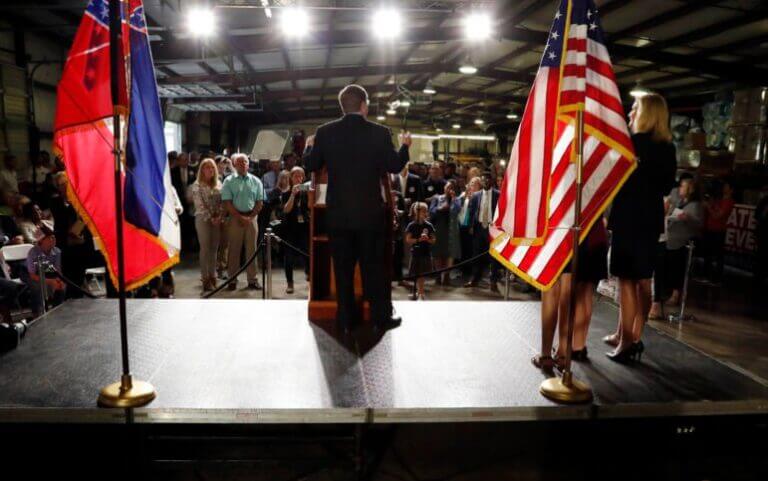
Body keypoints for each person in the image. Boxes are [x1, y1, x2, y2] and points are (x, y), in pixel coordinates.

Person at [304, 84, 411, 335]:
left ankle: (345, 321)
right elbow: (395, 166)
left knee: (342, 271)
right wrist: (405, 146)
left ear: (343, 106)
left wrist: (310, 145)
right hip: (370, 216)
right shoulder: (380, 133)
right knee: (373, 269)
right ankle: (379, 320)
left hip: (338, 216)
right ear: (365, 105)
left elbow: (310, 164)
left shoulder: (325, 132)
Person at [605, 93, 677, 363]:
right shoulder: (668, 147)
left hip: (628, 217)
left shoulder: (631, 143)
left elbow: (613, 179)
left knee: (626, 281)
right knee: (643, 281)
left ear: (645, 113)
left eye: (634, 108)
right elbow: (667, 187)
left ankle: (625, 343)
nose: (630, 113)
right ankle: (632, 334)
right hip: (650, 220)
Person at [651, 177, 702, 316]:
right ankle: (665, 292)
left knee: (677, 268)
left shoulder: (695, 205)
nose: (680, 189)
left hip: (682, 241)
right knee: (667, 267)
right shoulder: (678, 201)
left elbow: (698, 222)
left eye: (683, 186)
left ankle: (676, 293)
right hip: (670, 238)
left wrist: (688, 218)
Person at [221, 153, 265, 291]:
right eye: (240, 162)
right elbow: (227, 202)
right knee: (234, 250)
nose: (243, 164)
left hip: (252, 218)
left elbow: (260, 202)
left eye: (245, 162)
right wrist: (240, 217)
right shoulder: (228, 181)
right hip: (235, 218)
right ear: (234, 164)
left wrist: (250, 217)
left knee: (252, 250)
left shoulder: (256, 181)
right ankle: (232, 280)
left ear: (249, 163)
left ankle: (252, 280)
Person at [191, 158, 223, 292]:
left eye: (212, 167)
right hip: (203, 219)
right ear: (202, 170)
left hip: (217, 219)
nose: (210, 169)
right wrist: (211, 218)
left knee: (214, 249)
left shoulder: (218, 184)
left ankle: (213, 276)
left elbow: (223, 201)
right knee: (205, 248)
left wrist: (219, 216)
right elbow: (199, 204)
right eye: (207, 167)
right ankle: (205, 279)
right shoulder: (197, 185)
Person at [465, 172, 501, 293]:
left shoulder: (498, 194)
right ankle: (475, 279)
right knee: (476, 254)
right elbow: (471, 211)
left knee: (494, 256)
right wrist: (471, 226)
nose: (485, 182)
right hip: (479, 227)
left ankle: (493, 281)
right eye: (483, 180)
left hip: (492, 228)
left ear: (492, 181)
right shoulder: (476, 195)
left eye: (488, 180)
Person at [25, 222, 65, 317]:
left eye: (54, 237)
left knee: (61, 286)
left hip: (49, 273)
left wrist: (59, 281)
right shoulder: (33, 253)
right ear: (41, 241)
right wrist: (51, 281)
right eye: (50, 237)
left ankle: (57, 311)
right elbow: (32, 275)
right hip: (34, 275)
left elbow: (58, 272)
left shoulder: (57, 251)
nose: (53, 239)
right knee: (36, 287)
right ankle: (36, 313)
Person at [281, 167, 310, 295]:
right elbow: (286, 210)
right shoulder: (286, 193)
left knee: (308, 255)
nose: (298, 178)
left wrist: (308, 194)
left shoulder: (306, 192)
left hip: (304, 227)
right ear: (291, 178)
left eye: (300, 176)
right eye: (296, 176)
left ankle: (310, 280)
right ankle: (290, 283)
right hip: (290, 229)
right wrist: (292, 194)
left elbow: (310, 208)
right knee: (289, 257)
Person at [701, 179, 734, 284]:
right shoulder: (719, 198)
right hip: (710, 229)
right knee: (708, 254)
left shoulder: (729, 202)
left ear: (731, 190)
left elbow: (717, 216)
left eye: (727, 186)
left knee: (718, 256)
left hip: (719, 231)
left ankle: (716, 279)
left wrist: (708, 207)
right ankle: (706, 276)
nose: (724, 187)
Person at [429, 179, 461, 286]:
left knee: (450, 253)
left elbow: (456, 211)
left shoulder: (457, 200)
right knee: (438, 253)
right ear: (444, 187)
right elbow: (431, 212)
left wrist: (452, 199)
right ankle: (438, 275)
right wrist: (440, 208)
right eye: (448, 187)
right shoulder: (437, 198)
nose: (449, 189)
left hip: (451, 230)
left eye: (452, 188)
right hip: (439, 229)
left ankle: (446, 276)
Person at [405, 202, 435, 300]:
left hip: (426, 252)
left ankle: (420, 292)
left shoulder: (429, 225)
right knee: (416, 273)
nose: (423, 213)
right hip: (415, 252)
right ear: (415, 212)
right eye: (421, 211)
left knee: (422, 273)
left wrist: (428, 240)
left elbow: (434, 240)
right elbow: (408, 239)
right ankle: (418, 291)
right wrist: (418, 240)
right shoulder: (411, 225)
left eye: (425, 211)